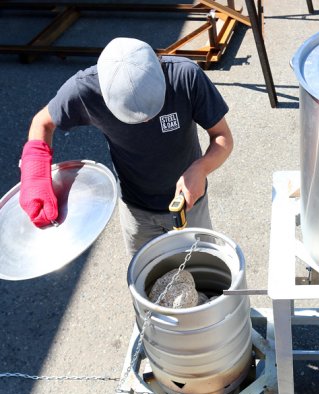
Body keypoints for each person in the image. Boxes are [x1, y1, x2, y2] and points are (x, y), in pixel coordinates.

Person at [18, 37, 233, 256]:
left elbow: (222, 137)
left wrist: (201, 168)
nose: (146, 121)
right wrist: (35, 179)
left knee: (201, 269)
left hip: (189, 202)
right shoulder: (85, 90)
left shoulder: (186, 77)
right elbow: (42, 122)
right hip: (134, 208)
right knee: (146, 277)